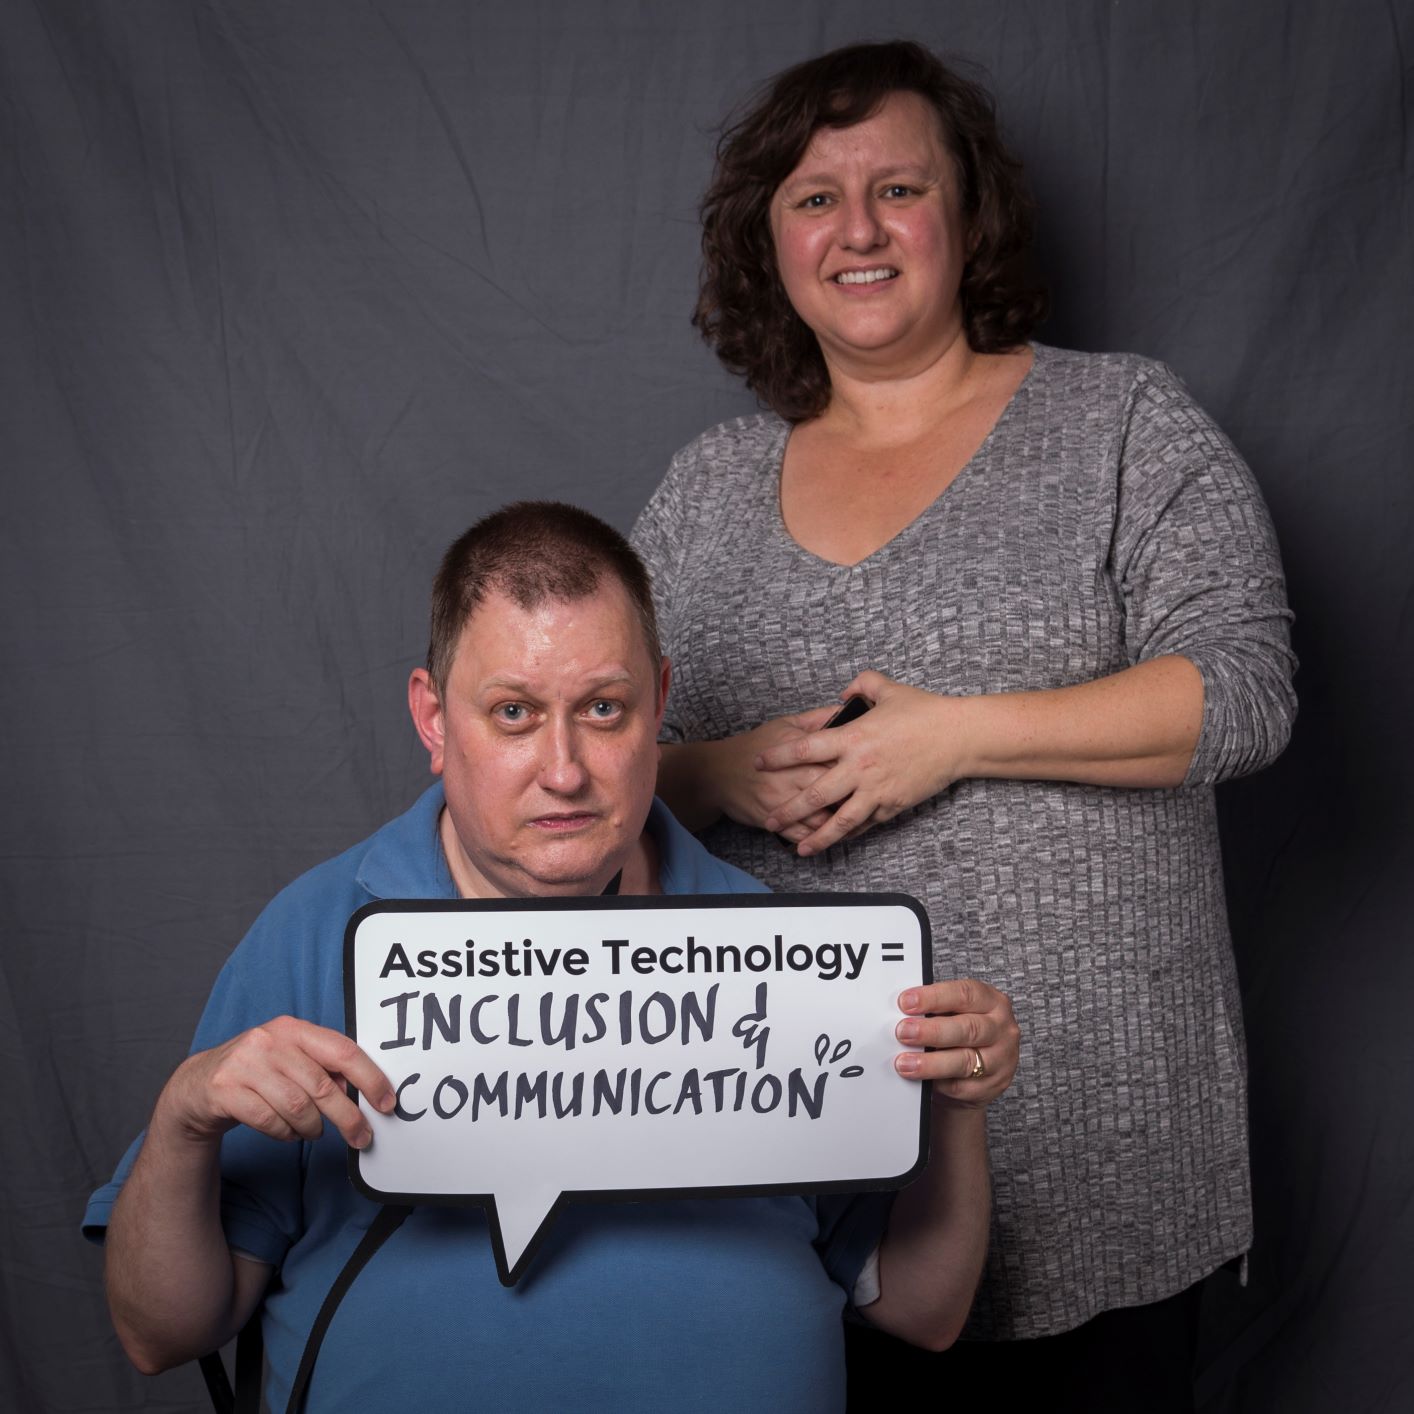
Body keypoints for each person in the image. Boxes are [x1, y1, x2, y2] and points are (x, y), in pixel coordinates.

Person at [630, 40, 1296, 1410]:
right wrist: (715, 769)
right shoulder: (702, 495)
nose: (857, 229)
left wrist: (954, 735)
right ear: (767, 241)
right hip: (803, 1170)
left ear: (968, 214)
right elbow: (587, 768)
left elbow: (1242, 689)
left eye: (897, 188)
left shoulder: (1120, 423)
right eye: (813, 198)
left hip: (1100, 1135)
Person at [83, 501, 1020, 1413]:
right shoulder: (314, 933)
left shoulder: (785, 957)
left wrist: (960, 1111)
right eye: (514, 713)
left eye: (604, 709)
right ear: (434, 719)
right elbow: (159, 1333)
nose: (564, 769)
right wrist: (183, 1120)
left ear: (658, 702)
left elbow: (923, 1311)